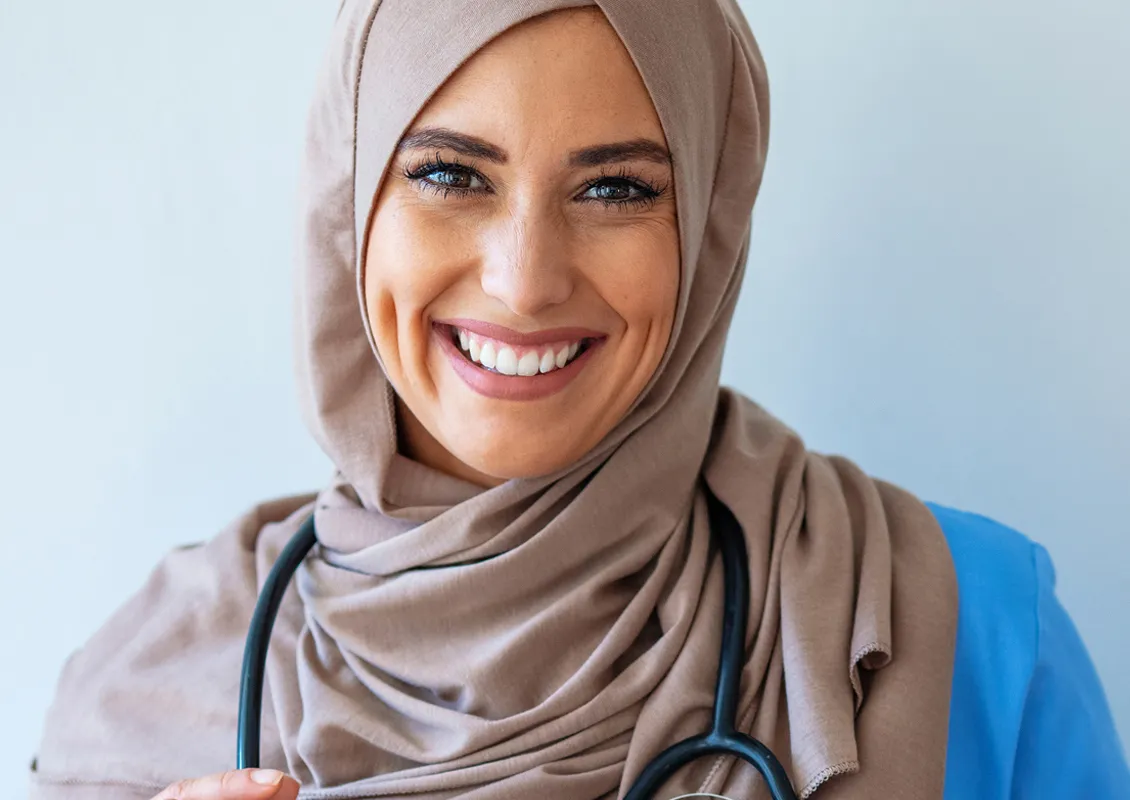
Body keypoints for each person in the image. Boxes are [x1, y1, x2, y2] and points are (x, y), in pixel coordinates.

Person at [29, 1, 1129, 799]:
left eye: (615, 189)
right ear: (348, 200)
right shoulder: (151, 692)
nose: (523, 279)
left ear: (703, 225)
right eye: (449, 173)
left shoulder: (957, 628)